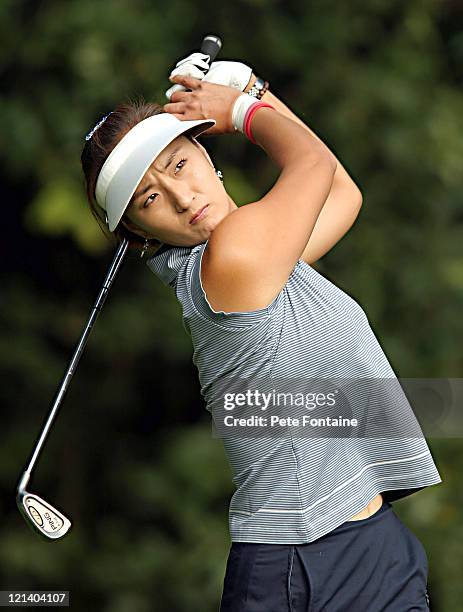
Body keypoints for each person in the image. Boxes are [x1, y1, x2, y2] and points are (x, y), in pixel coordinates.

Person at [80, 57, 440, 611]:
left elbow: (341, 192)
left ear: (203, 152)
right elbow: (312, 165)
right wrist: (243, 110)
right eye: (148, 199)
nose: (180, 197)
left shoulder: (261, 255)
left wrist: (254, 91)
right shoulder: (230, 261)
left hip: (371, 544)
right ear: (136, 230)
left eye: (177, 165)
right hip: (296, 566)